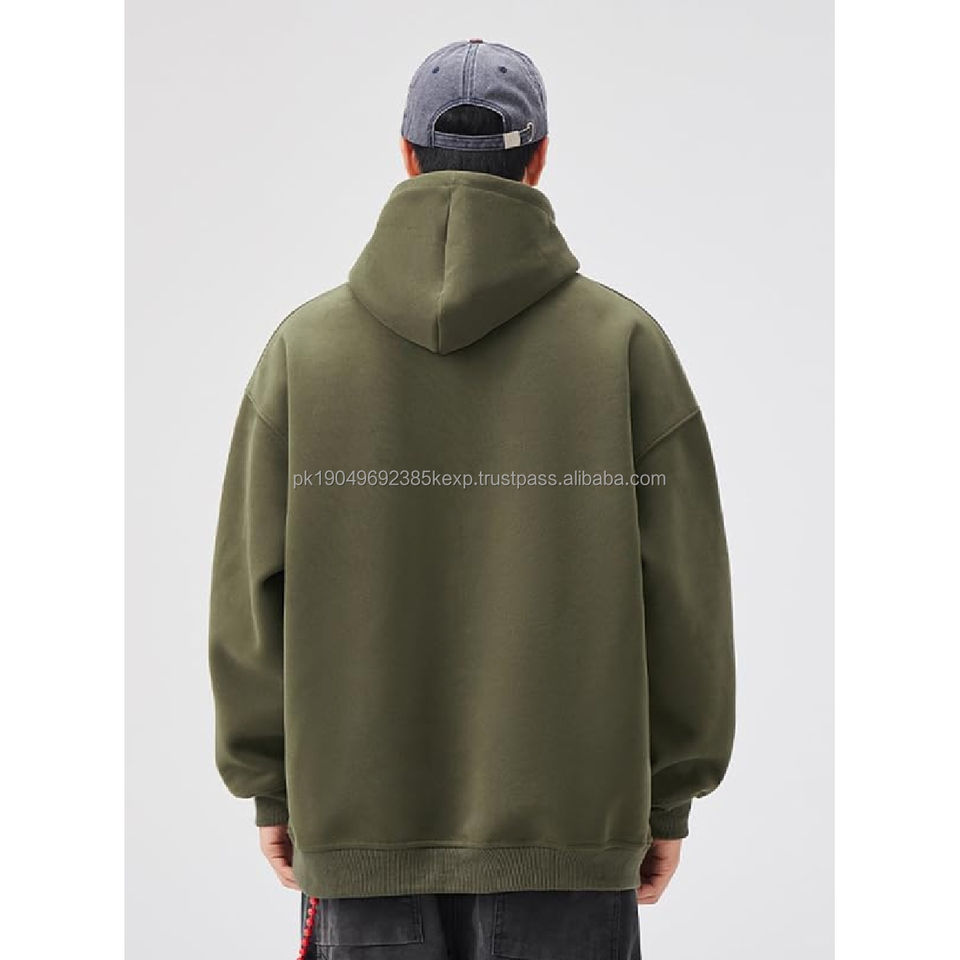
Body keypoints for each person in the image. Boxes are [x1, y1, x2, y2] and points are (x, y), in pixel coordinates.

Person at [209, 39, 735, 959]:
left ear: (406, 154)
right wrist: (667, 800)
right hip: (571, 848)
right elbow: (686, 602)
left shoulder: (303, 353)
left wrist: (273, 789)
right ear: (539, 159)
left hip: (361, 844)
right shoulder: (624, 348)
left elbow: (250, 598)